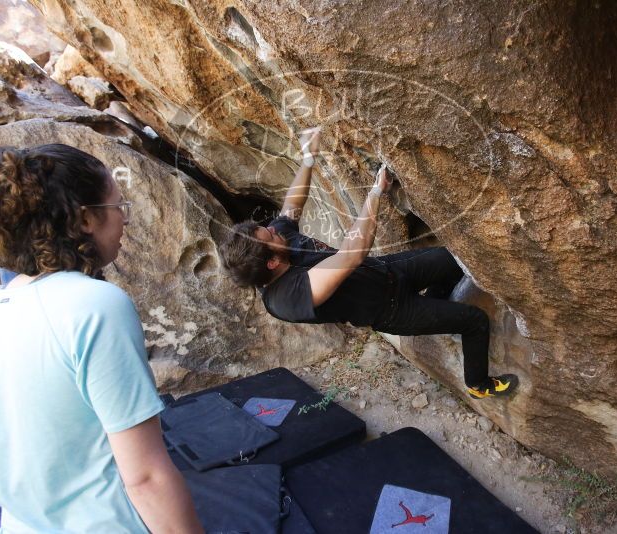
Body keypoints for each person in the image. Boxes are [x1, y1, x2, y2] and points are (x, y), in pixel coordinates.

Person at [0, 144, 204, 533]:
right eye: (117, 207)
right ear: (85, 219)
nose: (125, 221)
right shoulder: (94, 305)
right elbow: (144, 476)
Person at [221, 130, 518, 399]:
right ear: (272, 262)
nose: (275, 229)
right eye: (270, 234)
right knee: (474, 320)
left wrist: (309, 158)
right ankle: (478, 384)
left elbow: (290, 208)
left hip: (387, 271)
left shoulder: (276, 244)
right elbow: (352, 254)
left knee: (454, 259)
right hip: (391, 309)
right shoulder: (288, 298)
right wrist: (375, 193)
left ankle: (436, 306)